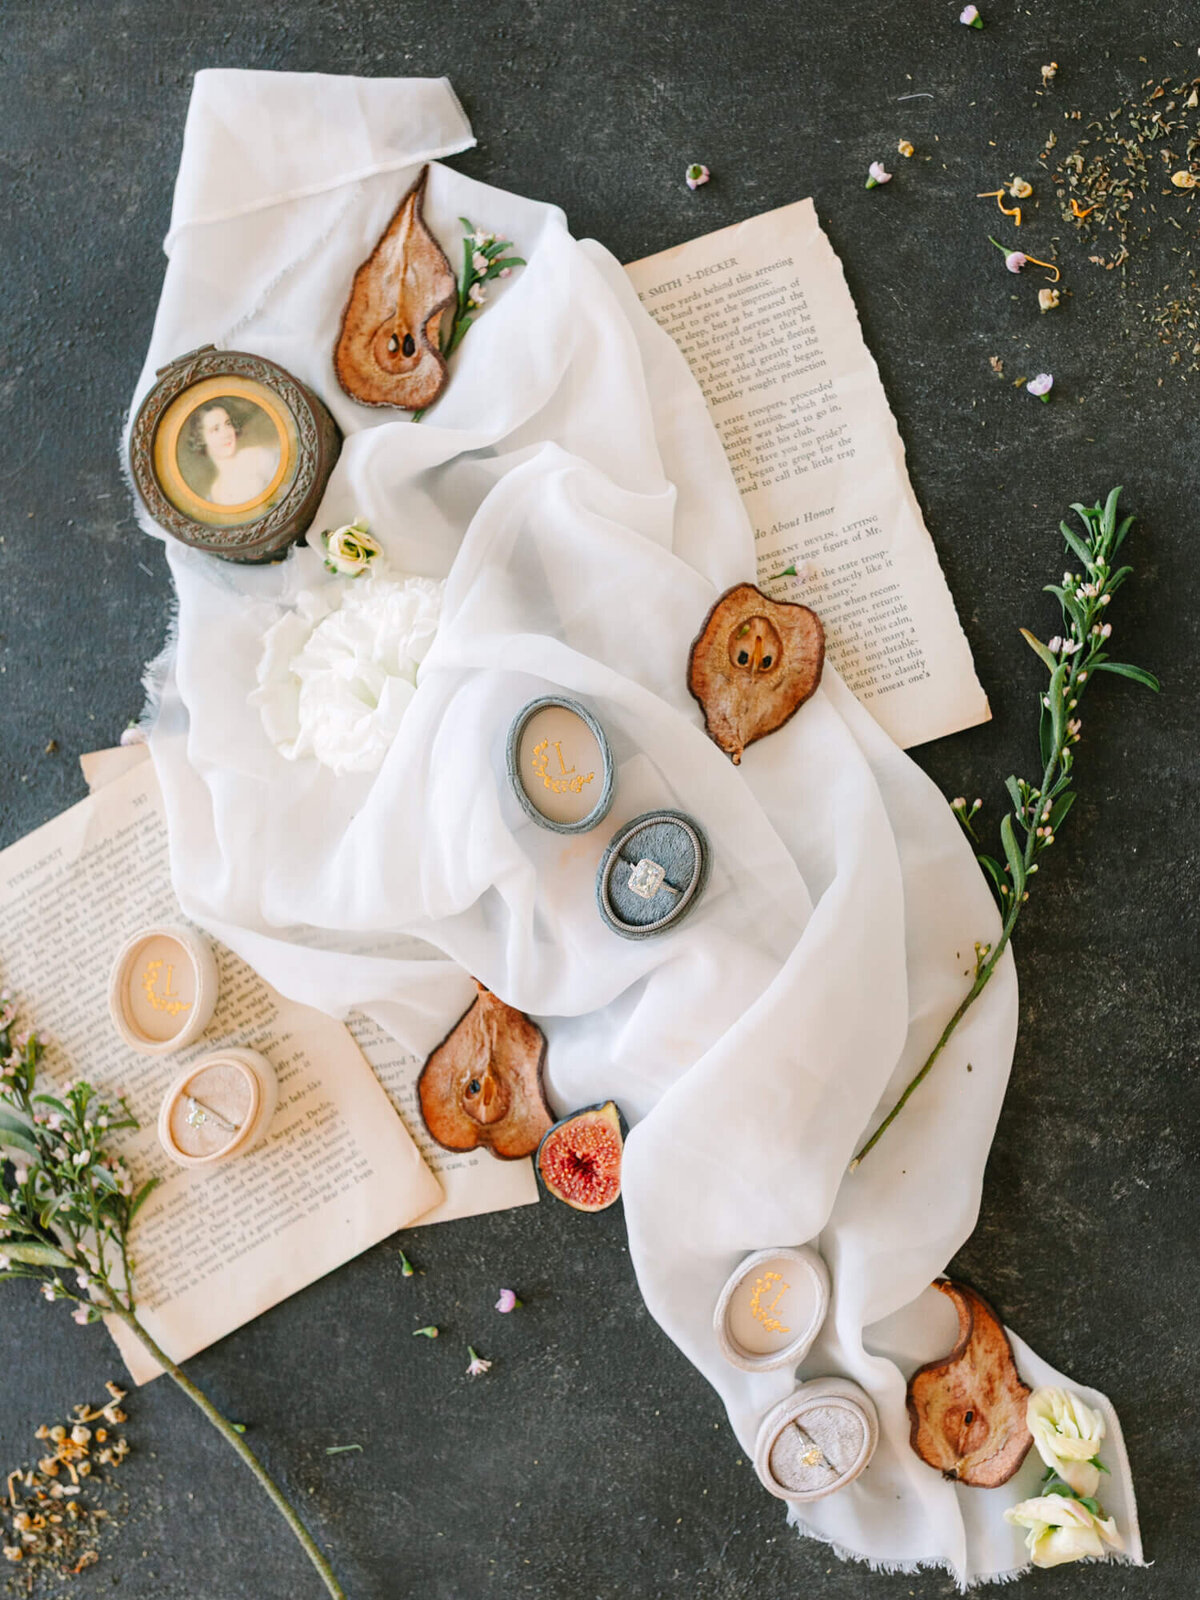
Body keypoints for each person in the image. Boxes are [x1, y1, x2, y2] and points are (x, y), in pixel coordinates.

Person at [184, 399, 279, 507]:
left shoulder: (256, 456)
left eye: (228, 424)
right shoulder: (214, 492)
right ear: (201, 438)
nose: (226, 433)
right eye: (216, 429)